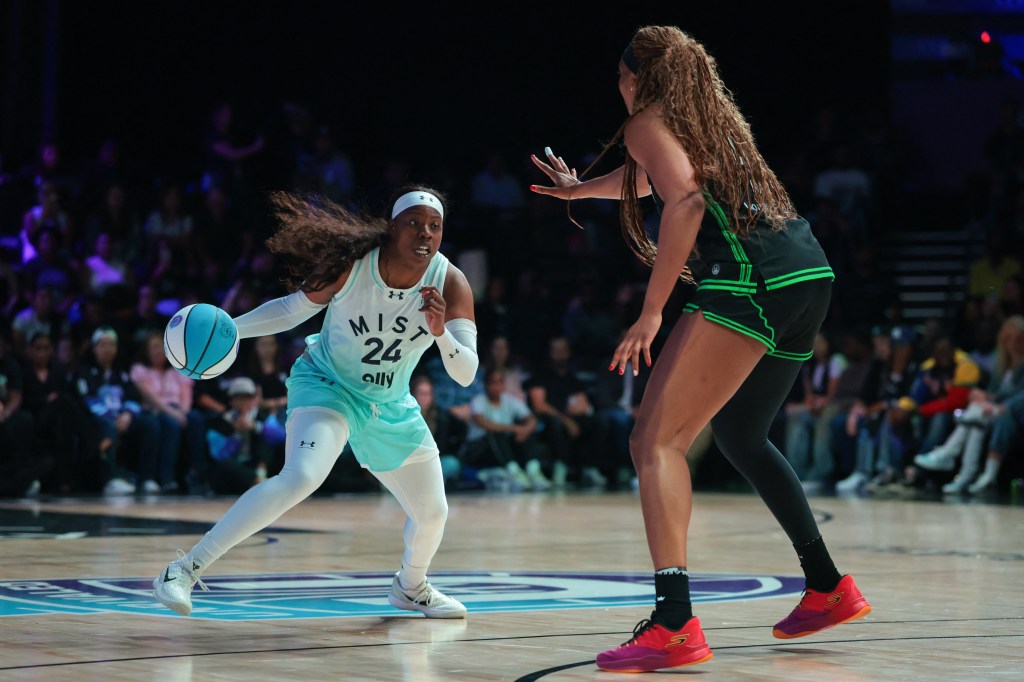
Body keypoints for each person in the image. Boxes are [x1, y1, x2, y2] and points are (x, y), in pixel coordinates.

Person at [529, 25, 871, 672]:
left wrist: (653, 311)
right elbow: (659, 181)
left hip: (751, 283)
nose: (619, 87)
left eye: (621, 76)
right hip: (806, 274)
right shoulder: (710, 120)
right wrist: (581, 190)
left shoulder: (648, 121)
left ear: (637, 78)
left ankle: (675, 623)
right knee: (743, 435)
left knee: (652, 442)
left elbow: (681, 197)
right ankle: (828, 586)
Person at [152, 185, 478, 620]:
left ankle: (411, 586)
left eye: (434, 227)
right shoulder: (354, 265)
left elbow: (465, 372)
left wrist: (440, 333)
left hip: (390, 402)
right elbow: (292, 309)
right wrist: (231, 329)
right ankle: (183, 570)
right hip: (328, 385)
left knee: (434, 513)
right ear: (391, 228)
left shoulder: (450, 281)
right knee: (301, 477)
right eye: (414, 223)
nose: (425, 233)